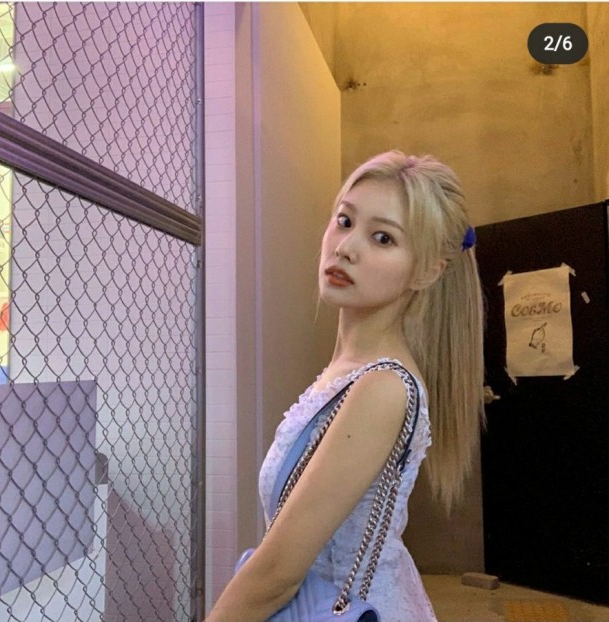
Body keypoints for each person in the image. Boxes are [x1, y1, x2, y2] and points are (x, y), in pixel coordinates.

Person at [205, 150, 485, 622]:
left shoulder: (383, 387)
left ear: (427, 271)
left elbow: (278, 574)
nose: (346, 247)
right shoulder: (350, 370)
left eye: (383, 237)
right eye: (344, 220)